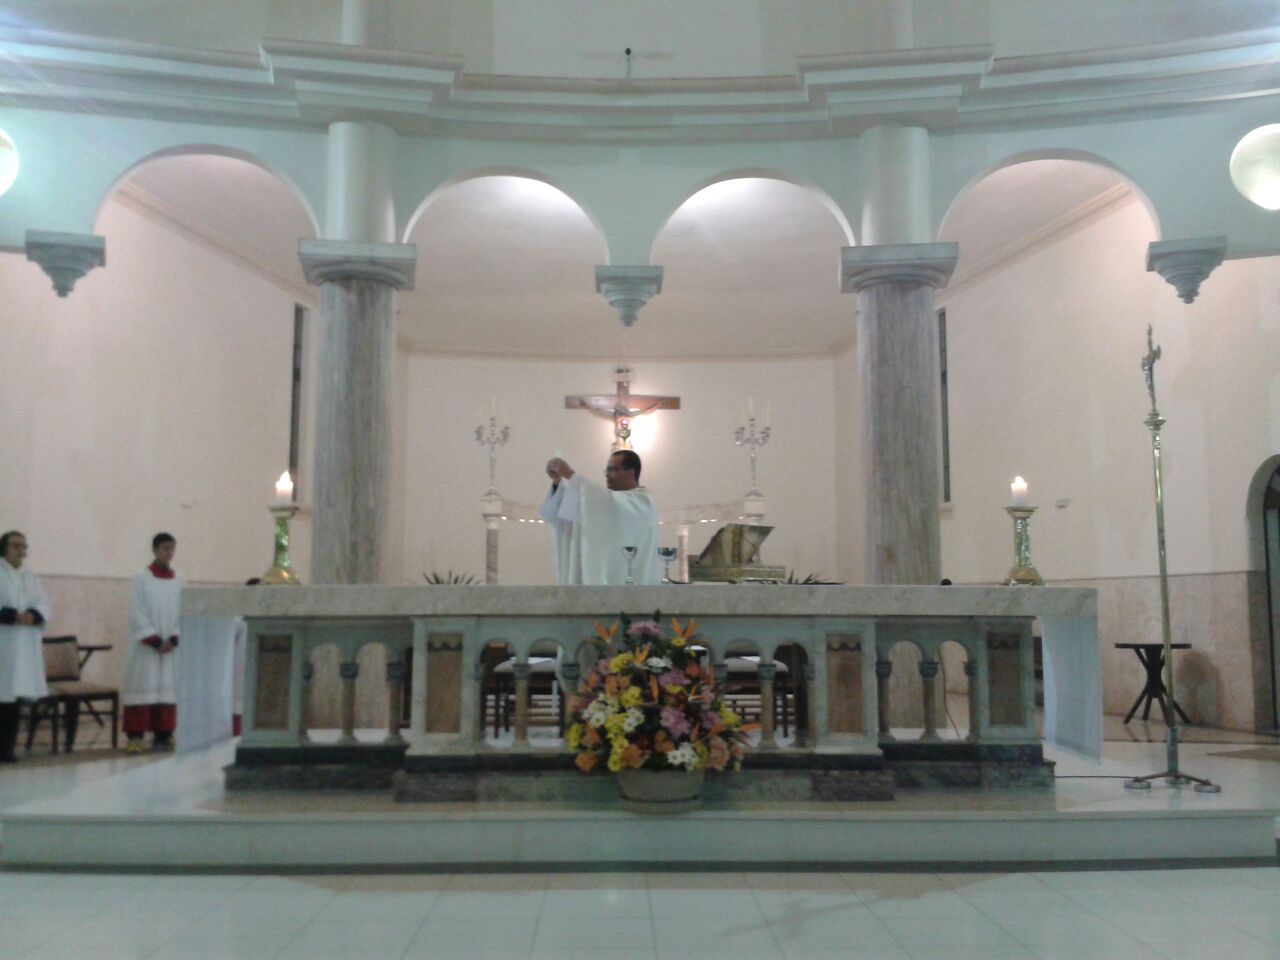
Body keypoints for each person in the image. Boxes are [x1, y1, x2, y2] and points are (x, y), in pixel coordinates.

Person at [538, 450, 660, 585]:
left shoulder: (643, 501)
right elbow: (568, 520)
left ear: (630, 473)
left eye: (613, 470)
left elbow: (610, 503)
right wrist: (557, 483)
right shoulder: (602, 502)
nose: (607, 475)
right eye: (607, 470)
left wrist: (571, 475)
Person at [122, 532, 185, 753]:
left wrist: (174, 637)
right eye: (165, 548)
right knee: (142, 689)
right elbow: (136, 612)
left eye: (172, 548)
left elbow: (185, 611)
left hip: (170, 648)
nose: (169, 553)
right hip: (146, 648)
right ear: (155, 550)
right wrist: (155, 640)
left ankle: (164, 735)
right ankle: (135, 737)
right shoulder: (141, 579)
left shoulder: (180, 581)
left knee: (166, 691)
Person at [0, 531, 50, 763]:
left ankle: (7, 748)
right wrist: (11, 616)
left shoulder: (30, 576)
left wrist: (33, 615)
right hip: (4, 641)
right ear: (4, 547)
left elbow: (43, 603)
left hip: (23, 645)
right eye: (16, 545)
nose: (22, 551)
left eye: (24, 546)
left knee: (14, 697)